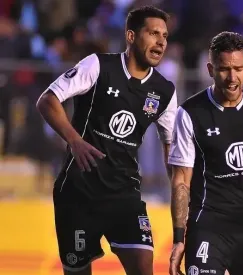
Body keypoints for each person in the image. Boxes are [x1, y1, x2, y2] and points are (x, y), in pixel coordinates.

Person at [36, 6, 177, 275]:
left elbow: (171, 149)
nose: (161, 41)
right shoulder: (98, 65)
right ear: (132, 36)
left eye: (165, 35)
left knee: (144, 268)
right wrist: (75, 141)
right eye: (153, 33)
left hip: (125, 195)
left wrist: (182, 191)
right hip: (78, 193)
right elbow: (47, 100)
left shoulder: (164, 91)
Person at [167, 31, 243, 275]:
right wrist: (179, 237)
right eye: (224, 69)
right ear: (210, 69)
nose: (233, 77)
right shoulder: (189, 113)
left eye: (239, 69)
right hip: (209, 226)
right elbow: (181, 181)